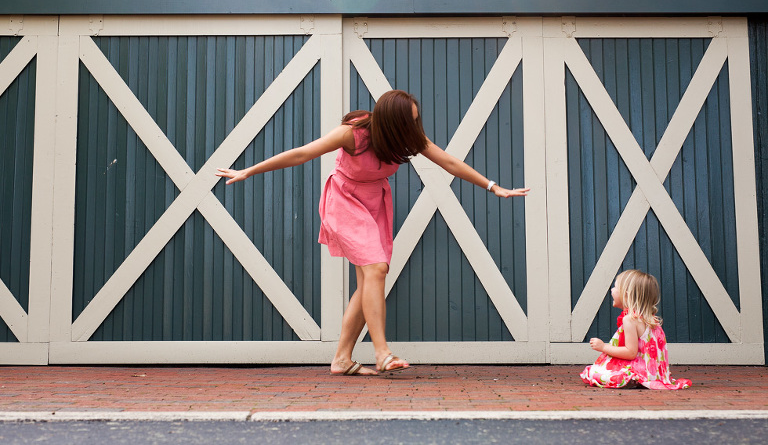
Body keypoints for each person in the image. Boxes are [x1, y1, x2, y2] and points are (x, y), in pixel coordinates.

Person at [217, 89, 530, 375]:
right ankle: (382, 353)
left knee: (370, 279)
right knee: (376, 269)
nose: (415, 127)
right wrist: (249, 171)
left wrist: (493, 187)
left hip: (375, 202)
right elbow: (302, 153)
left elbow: (449, 162)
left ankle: (342, 359)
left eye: (416, 120)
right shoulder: (352, 134)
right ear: (391, 122)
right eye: (409, 122)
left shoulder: (408, 137)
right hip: (344, 200)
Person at [580, 269, 692, 389]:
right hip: (655, 374)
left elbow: (630, 353)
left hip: (641, 372)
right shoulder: (651, 319)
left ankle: (631, 378)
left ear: (626, 294)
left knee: (593, 372)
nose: (611, 290)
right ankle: (633, 378)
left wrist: (603, 347)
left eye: (615, 287)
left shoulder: (630, 319)